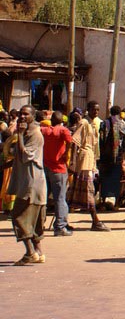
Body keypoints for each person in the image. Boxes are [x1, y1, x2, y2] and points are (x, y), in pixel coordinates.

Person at [7, 105, 47, 265]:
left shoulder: (35, 134)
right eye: (20, 114)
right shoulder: (28, 132)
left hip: (32, 183)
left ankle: (30, 252)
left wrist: (21, 135)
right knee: (34, 221)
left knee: (19, 217)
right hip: (29, 182)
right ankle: (38, 252)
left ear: (32, 116)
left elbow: (25, 155)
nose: (22, 117)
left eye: (25, 114)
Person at [68, 111, 110, 232]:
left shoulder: (92, 124)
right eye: (94, 109)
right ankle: (95, 221)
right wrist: (73, 161)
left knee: (81, 190)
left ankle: (61, 220)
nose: (96, 112)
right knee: (88, 190)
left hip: (89, 159)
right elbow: (75, 141)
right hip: (84, 160)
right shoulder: (84, 123)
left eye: (98, 109)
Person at [40, 111, 72, 236]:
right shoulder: (63, 130)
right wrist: (66, 154)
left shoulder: (45, 131)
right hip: (58, 167)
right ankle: (60, 226)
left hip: (46, 167)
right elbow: (70, 142)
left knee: (43, 198)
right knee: (60, 198)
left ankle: (39, 224)